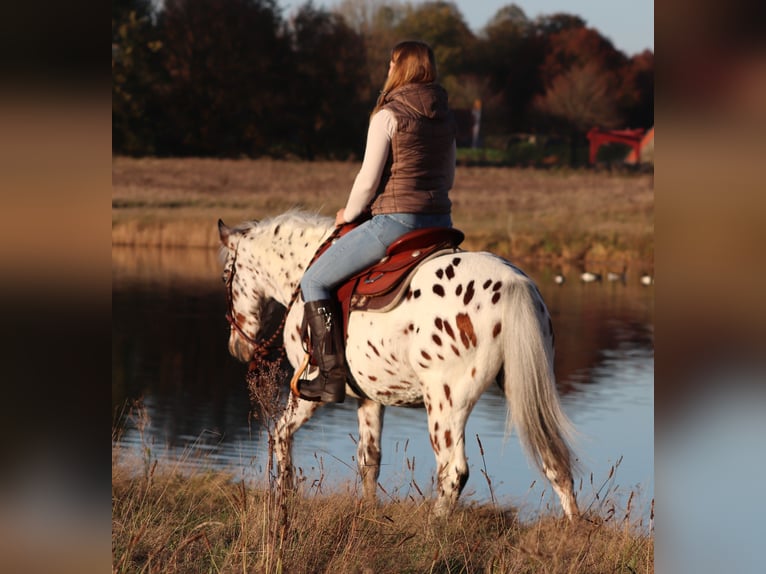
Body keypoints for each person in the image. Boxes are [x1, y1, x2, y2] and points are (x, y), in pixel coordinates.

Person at [298, 40, 457, 403]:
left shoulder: (388, 115)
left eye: (391, 65)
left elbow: (367, 181)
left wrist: (349, 215)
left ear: (400, 68)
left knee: (315, 279)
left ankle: (330, 378)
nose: (387, 71)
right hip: (440, 223)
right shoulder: (446, 116)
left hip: (397, 223)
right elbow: (448, 177)